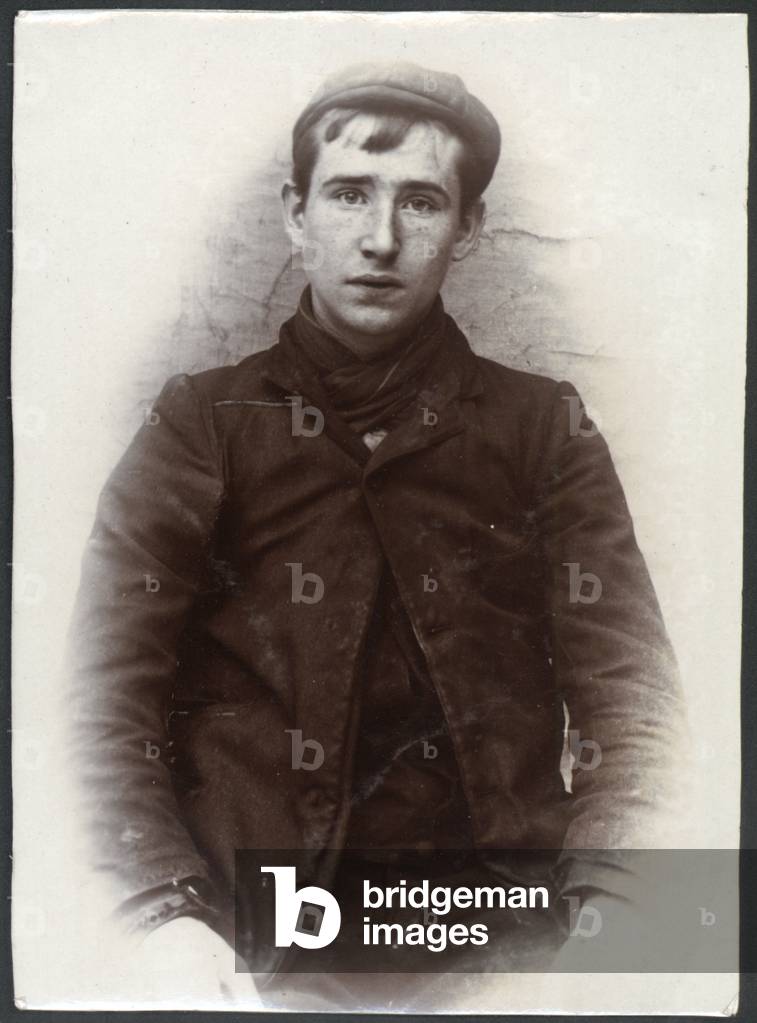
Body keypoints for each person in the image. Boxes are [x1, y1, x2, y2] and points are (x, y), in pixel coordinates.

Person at [66, 61, 687, 1005]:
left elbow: (636, 710)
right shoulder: (203, 422)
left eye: (422, 202)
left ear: (467, 228)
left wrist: (606, 923)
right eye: (349, 193)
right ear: (295, 214)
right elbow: (97, 704)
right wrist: (159, 913)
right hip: (245, 946)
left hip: (503, 952)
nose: (381, 238)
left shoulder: (541, 429)